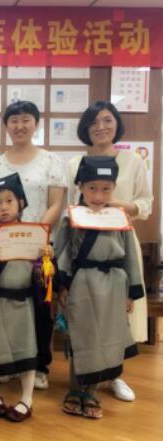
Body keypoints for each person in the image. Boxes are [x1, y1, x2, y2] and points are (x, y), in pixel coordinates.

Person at [65, 101, 152, 403]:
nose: (100, 127)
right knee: (86, 316)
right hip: (84, 249)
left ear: (116, 124)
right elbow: (70, 205)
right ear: (85, 128)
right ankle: (82, 379)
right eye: (93, 122)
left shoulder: (133, 161)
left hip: (118, 244)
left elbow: (146, 203)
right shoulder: (74, 162)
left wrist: (118, 207)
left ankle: (115, 375)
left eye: (107, 120)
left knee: (117, 317)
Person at [0, 101, 66, 390]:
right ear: (6, 126)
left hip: (41, 248)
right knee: (4, 306)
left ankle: (40, 365)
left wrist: (35, 235)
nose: (20, 125)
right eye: (14, 120)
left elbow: (56, 204)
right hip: (5, 249)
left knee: (41, 306)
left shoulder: (51, 161)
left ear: (36, 123)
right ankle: (6, 362)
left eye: (26, 119)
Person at [56, 156, 144, 419]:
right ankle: (75, 389)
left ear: (114, 188)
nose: (98, 195)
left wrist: (131, 293)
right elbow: (61, 252)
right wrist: (62, 285)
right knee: (82, 336)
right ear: (80, 187)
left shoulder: (119, 217)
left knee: (105, 338)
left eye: (106, 189)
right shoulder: (71, 216)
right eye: (92, 188)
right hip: (82, 283)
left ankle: (92, 391)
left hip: (114, 284)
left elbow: (130, 256)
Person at [0, 173, 49, 423]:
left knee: (27, 348)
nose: (3, 207)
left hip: (25, 303)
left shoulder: (35, 235)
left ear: (21, 203)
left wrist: (46, 259)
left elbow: (47, 275)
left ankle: (27, 398)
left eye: (9, 201)